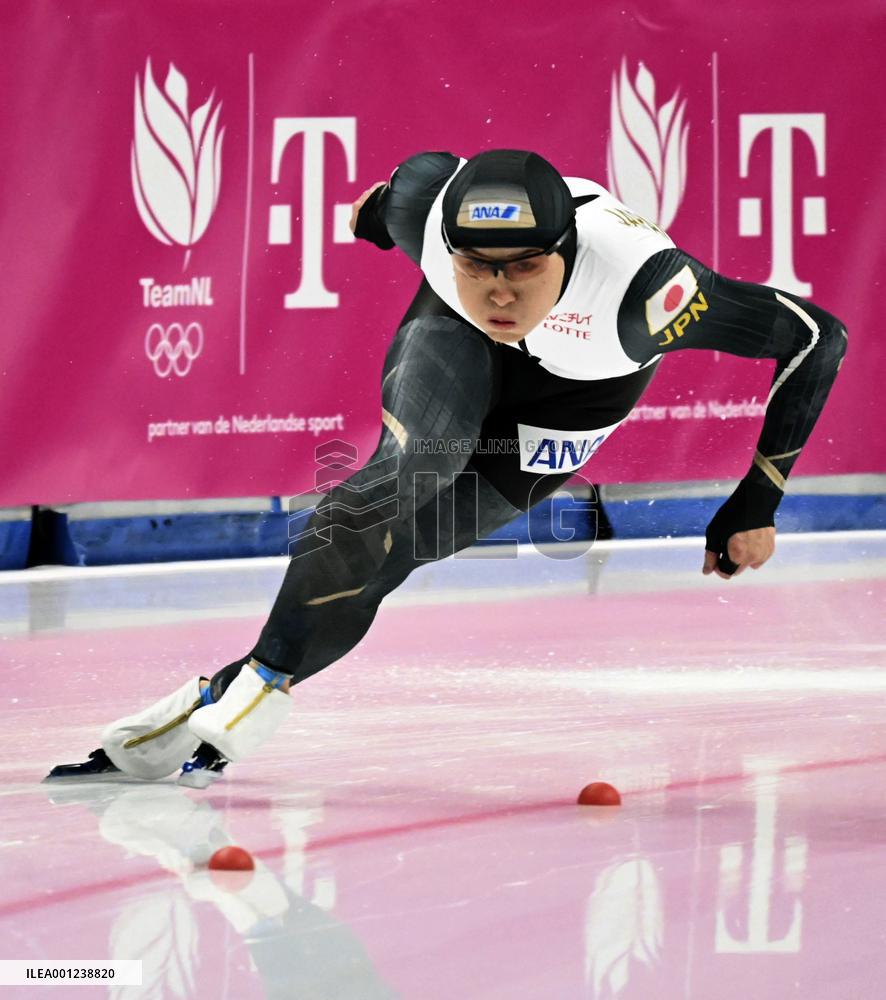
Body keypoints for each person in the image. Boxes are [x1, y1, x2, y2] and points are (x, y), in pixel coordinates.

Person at [47, 149, 847, 786]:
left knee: (392, 557)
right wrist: (371, 217)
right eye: (477, 263)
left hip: (571, 401)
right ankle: (262, 680)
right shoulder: (426, 210)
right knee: (406, 470)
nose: (499, 291)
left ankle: (210, 704)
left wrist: (757, 497)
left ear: (567, 252)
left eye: (524, 267)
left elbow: (818, 336)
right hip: (450, 340)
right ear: (448, 244)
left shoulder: (653, 294)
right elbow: (400, 191)